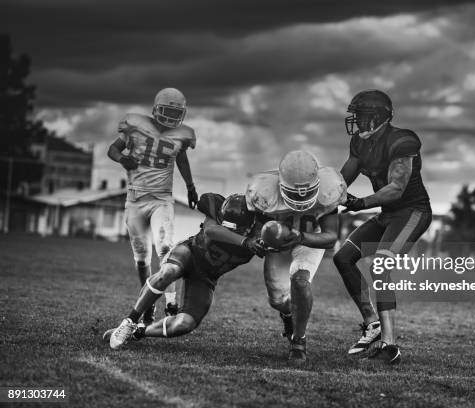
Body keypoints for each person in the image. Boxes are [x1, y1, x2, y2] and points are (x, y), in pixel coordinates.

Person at [332, 89, 432, 363]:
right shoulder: (359, 143)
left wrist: (360, 203)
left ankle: (390, 345)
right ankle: (372, 323)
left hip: (412, 212)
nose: (357, 121)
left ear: (378, 117)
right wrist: (319, 196)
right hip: (387, 215)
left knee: (380, 265)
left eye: (361, 116)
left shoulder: (403, 140)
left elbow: (397, 188)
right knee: (343, 257)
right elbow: (342, 182)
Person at [104, 193, 267, 349]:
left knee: (185, 323)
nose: (231, 233)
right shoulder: (218, 208)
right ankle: (129, 321)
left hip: (206, 277)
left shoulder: (261, 233)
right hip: (190, 253)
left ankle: (138, 331)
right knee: (168, 272)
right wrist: (245, 242)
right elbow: (211, 230)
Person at [107, 88, 198, 323]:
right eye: (166, 111)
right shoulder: (135, 126)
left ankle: (170, 303)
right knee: (141, 259)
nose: (170, 117)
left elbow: (181, 158)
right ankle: (147, 305)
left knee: (165, 247)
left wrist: (190, 186)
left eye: (174, 113)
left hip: (161, 199)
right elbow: (113, 149)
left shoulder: (182, 134)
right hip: (135, 199)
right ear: (155, 109)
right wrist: (122, 159)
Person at [246, 150, 346, 365]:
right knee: (279, 301)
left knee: (300, 281)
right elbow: (257, 229)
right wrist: (258, 240)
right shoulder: (264, 191)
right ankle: (288, 316)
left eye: (307, 192)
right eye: (295, 193)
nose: (301, 198)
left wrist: (300, 236)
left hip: (309, 240)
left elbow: (329, 238)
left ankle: (298, 342)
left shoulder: (329, 190)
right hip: (280, 246)